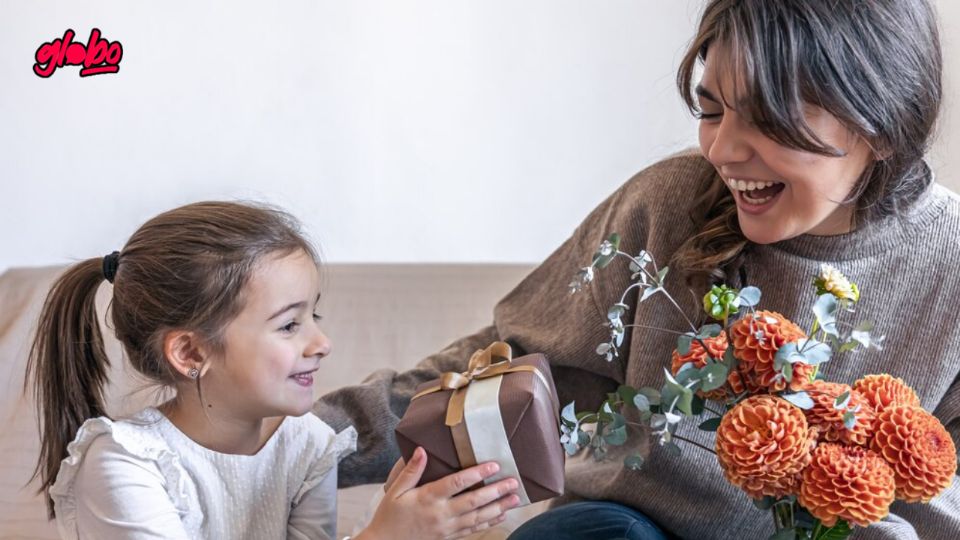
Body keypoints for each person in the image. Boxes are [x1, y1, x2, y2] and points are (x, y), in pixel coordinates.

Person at [312, 1, 960, 538]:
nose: (724, 149)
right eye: (711, 110)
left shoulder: (950, 265)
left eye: (768, 118)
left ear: (880, 123)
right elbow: (505, 368)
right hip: (624, 525)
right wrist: (288, 444)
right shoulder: (671, 203)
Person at [28, 201, 520, 540]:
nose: (321, 344)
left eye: (314, 316)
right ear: (190, 354)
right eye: (289, 325)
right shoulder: (124, 463)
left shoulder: (305, 446)